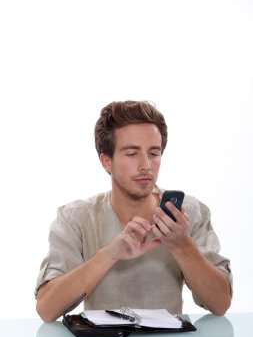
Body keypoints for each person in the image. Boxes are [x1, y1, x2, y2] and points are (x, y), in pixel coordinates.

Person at [35, 100, 232, 322]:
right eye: (132, 154)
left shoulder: (189, 214)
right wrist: (109, 254)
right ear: (106, 162)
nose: (146, 165)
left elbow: (220, 303)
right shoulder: (75, 219)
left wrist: (181, 245)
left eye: (154, 153)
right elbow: (47, 309)